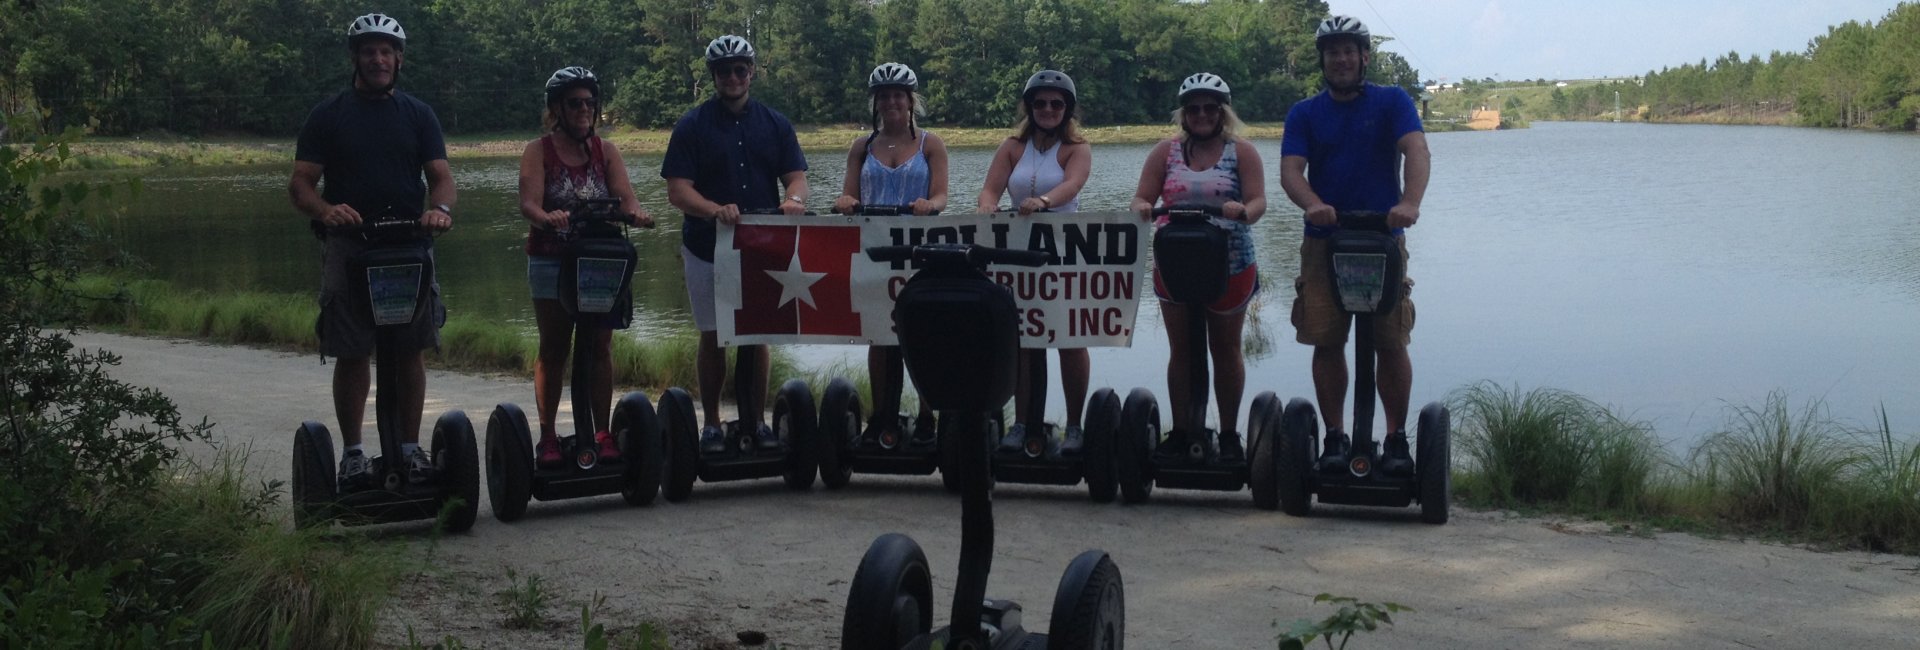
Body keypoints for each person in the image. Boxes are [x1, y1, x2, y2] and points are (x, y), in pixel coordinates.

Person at [287, 13, 456, 484]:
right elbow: (301, 184)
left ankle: (409, 448)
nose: (378, 59)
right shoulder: (329, 114)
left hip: (408, 244)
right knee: (353, 349)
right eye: (369, 51)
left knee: (410, 349)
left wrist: (439, 209)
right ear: (355, 58)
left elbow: (441, 177)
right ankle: (355, 454)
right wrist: (325, 211)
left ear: (398, 59)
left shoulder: (418, 114)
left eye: (386, 51)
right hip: (350, 245)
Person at [1279, 15, 1430, 477]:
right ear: (1323, 60)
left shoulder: (1392, 101)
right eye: (1332, 52)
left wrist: (1409, 202)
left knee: (1391, 341)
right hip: (1326, 241)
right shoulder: (1305, 112)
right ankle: (1335, 437)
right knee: (1326, 341)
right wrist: (1312, 204)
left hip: (1382, 238)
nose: (1341, 59)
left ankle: (1395, 438)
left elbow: (1417, 151)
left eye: (1349, 50)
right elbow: (1290, 171)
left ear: (1364, 56)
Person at [662, 35, 810, 453]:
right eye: (724, 70)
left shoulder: (775, 123)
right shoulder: (692, 125)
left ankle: (757, 421)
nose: (732, 77)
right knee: (713, 334)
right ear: (714, 76)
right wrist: (712, 209)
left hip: (759, 246)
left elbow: (796, 175)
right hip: (706, 244)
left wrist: (794, 200)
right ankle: (711, 423)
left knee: (756, 333)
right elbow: (677, 190)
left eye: (739, 69)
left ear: (752, 73)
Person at [518, 66, 654, 468]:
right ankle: (547, 436)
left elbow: (625, 199)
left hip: (599, 262)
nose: (584, 109)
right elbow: (528, 202)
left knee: (599, 346)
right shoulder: (537, 150)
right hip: (551, 258)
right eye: (575, 102)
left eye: (590, 103)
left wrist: (637, 215)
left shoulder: (605, 151)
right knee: (554, 348)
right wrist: (546, 217)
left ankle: (601, 431)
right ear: (557, 108)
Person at [1127, 72, 1268, 462]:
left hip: (1230, 262)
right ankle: (1184, 429)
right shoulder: (1165, 152)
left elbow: (1258, 202)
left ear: (1223, 113)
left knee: (1225, 350)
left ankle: (1226, 435)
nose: (1202, 115)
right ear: (1183, 114)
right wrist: (1141, 207)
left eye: (1210, 108)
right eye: (1194, 109)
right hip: (1176, 262)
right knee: (1182, 350)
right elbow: (1142, 197)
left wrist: (1243, 211)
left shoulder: (1241, 152)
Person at [975, 70, 1093, 455]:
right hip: (1019, 250)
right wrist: (988, 208)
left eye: (1056, 104)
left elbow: (1071, 185)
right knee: (1024, 339)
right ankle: (1022, 422)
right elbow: (991, 189)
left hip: (1062, 250)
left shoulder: (1077, 148)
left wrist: (1043, 202)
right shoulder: (1013, 146)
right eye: (1040, 103)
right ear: (1030, 107)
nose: (1047, 109)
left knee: (1069, 339)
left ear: (1067, 109)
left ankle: (1074, 426)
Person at [832, 62, 950, 446]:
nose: (891, 102)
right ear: (875, 103)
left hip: (920, 250)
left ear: (911, 100)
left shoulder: (930, 144)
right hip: (875, 250)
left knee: (923, 333)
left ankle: (929, 414)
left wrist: (928, 206)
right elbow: (849, 194)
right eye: (884, 96)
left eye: (898, 95)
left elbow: (942, 196)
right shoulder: (861, 147)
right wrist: (846, 203)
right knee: (880, 336)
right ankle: (883, 415)